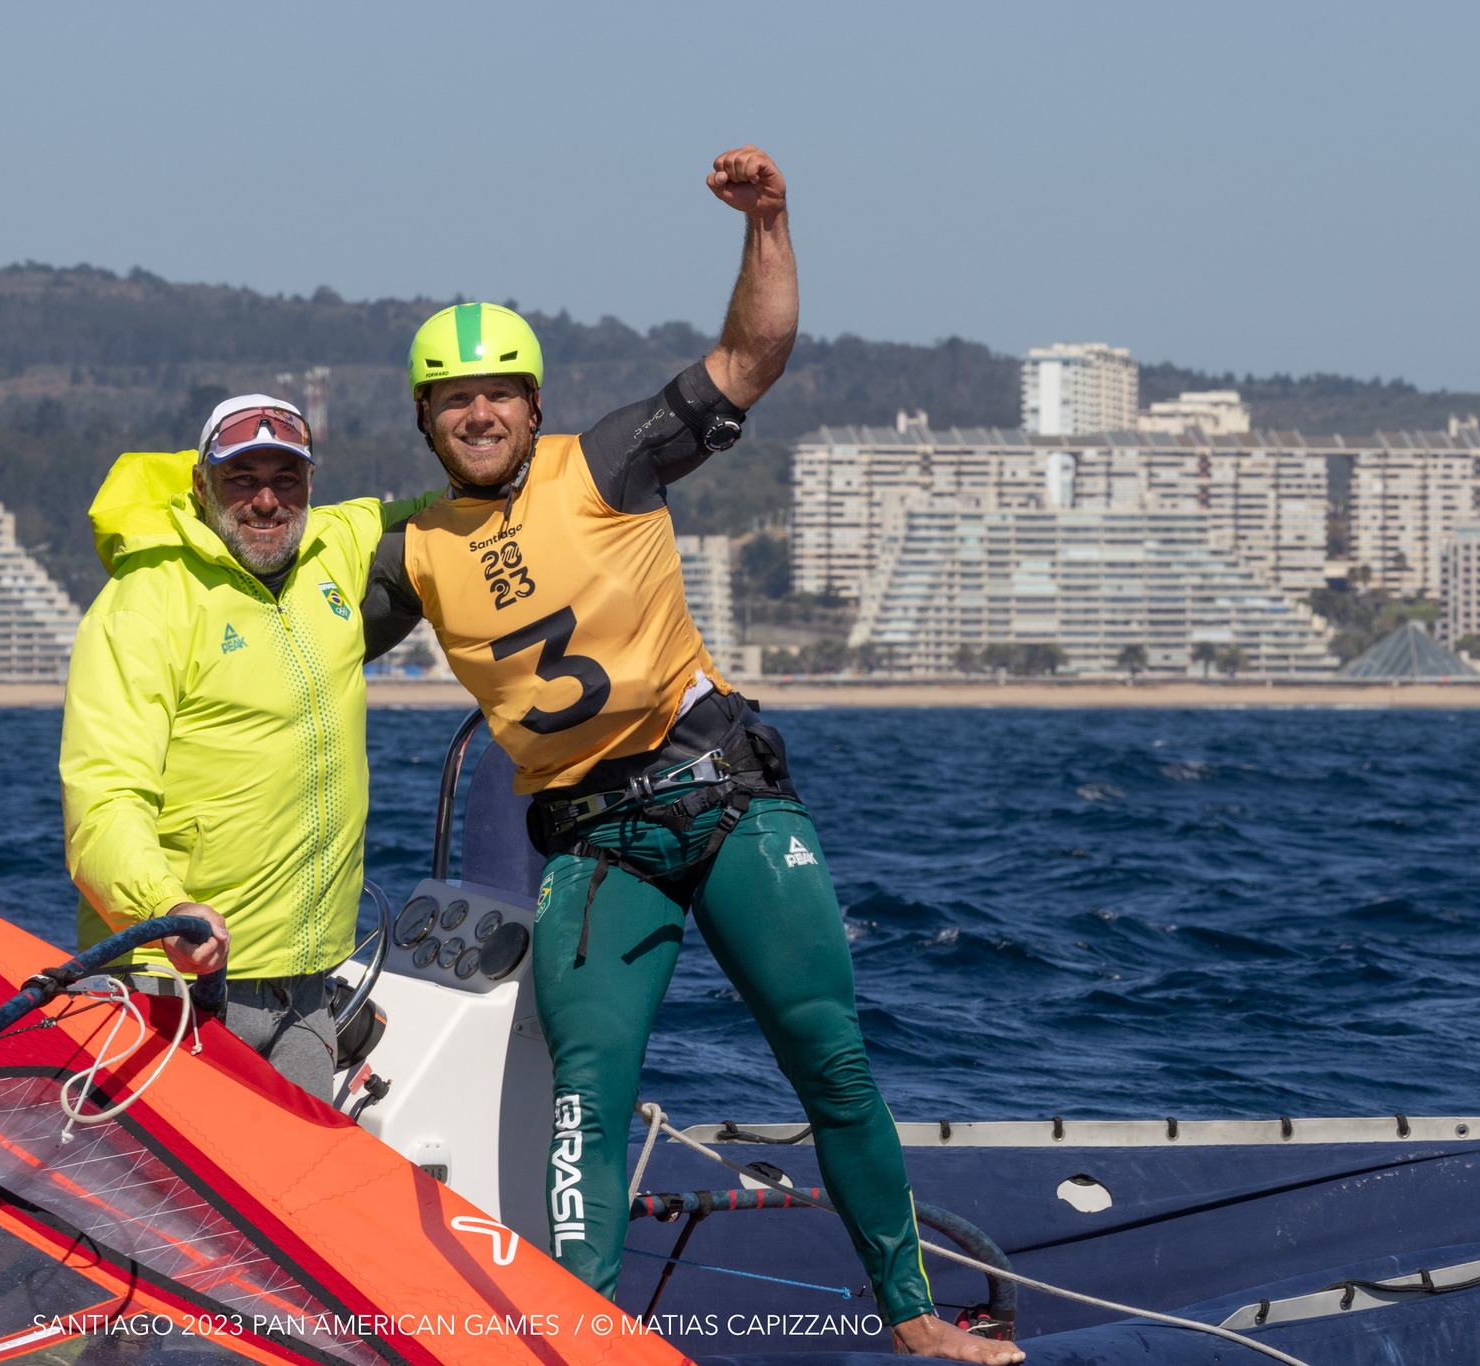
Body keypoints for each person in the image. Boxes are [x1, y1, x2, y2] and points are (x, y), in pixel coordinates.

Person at [361, 148, 1023, 1363]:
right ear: (423, 419)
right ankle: (583, 1340)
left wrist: (767, 221)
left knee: (826, 1057)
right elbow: (287, 638)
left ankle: (917, 1317)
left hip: (720, 802)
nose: (479, 410)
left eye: (500, 388)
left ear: (532, 399)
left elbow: (750, 358)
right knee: (583, 1103)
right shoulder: (407, 553)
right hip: (594, 846)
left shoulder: (607, 459)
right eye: (453, 398)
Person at [61, 395, 416, 1101]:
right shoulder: (144, 603)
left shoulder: (335, 551)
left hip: (306, 988)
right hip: (177, 987)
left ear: (312, 486)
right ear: (200, 485)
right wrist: (166, 908)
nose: (265, 501)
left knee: (294, 1198)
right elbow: (104, 801)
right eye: (240, 478)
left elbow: (468, 503)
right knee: (170, 1207)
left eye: (286, 480)